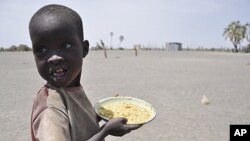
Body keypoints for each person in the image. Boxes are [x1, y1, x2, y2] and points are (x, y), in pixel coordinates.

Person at [29, 4, 141, 141]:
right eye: (42, 49)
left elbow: (77, 123)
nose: (54, 58)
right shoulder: (50, 112)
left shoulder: (69, 87)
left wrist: (100, 115)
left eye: (65, 46)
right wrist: (105, 131)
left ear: (84, 49)